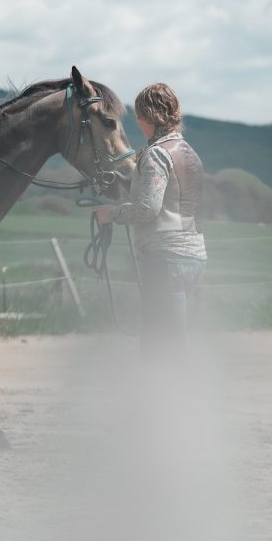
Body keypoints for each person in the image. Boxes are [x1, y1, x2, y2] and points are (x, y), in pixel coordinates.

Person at [95, 83, 207, 356]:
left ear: (148, 117)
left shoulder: (157, 153)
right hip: (195, 256)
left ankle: (169, 395)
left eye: (139, 116)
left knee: (161, 341)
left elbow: (148, 207)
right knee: (168, 336)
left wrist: (110, 213)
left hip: (165, 258)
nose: (138, 122)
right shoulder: (189, 152)